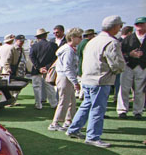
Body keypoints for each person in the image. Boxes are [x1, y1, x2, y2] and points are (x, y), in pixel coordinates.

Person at [66, 16, 126, 148]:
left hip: (88, 79)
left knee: (86, 105)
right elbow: (117, 64)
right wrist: (120, 69)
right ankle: (92, 137)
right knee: (97, 108)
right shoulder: (111, 42)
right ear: (115, 27)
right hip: (100, 79)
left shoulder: (92, 41)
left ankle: (73, 129)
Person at [49, 28, 83, 131]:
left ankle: (68, 120)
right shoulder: (68, 50)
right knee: (64, 100)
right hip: (65, 77)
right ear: (72, 38)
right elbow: (67, 68)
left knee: (71, 100)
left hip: (65, 77)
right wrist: (75, 81)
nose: (81, 39)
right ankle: (56, 122)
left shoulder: (69, 49)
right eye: (79, 37)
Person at [118, 17, 145, 119]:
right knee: (124, 88)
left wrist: (142, 54)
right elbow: (121, 53)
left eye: (142, 24)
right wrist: (130, 54)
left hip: (142, 66)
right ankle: (122, 110)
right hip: (128, 65)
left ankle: (138, 111)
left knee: (140, 90)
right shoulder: (127, 39)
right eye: (138, 24)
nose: (139, 26)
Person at [29, 28, 58, 109]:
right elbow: (55, 58)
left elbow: (32, 57)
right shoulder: (53, 45)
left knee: (36, 87)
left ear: (37, 37)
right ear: (46, 35)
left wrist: (39, 67)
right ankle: (53, 104)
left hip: (36, 70)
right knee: (50, 87)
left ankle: (38, 104)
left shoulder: (34, 46)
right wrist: (47, 67)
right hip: (48, 69)